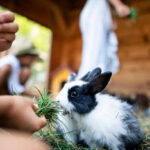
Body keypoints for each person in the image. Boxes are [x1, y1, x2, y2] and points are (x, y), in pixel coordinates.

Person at [0, 11, 49, 150]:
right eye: (31, 58)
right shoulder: (11, 64)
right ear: (23, 54)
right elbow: (14, 86)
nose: (33, 62)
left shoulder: (19, 66)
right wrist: (36, 95)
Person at [77, 0, 130, 78]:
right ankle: (86, 84)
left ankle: (89, 83)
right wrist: (119, 5)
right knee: (95, 54)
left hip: (93, 13)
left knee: (95, 54)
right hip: (96, 13)